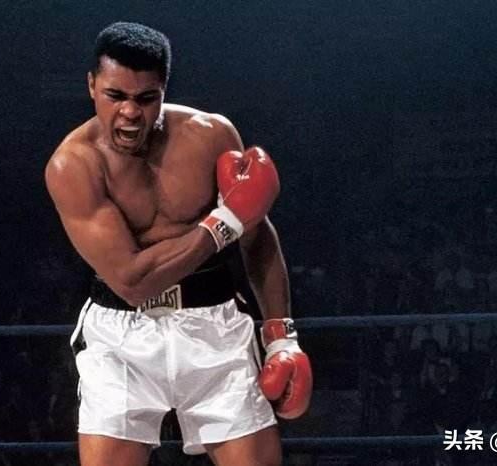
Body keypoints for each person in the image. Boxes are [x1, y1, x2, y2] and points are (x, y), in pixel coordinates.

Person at [44, 22, 313, 466]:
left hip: (215, 325)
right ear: (92, 86)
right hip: (121, 336)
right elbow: (133, 281)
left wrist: (281, 336)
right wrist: (225, 222)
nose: (130, 112)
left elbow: (257, 237)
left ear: (164, 90)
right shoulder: (74, 165)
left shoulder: (211, 136)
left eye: (146, 98)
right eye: (115, 96)